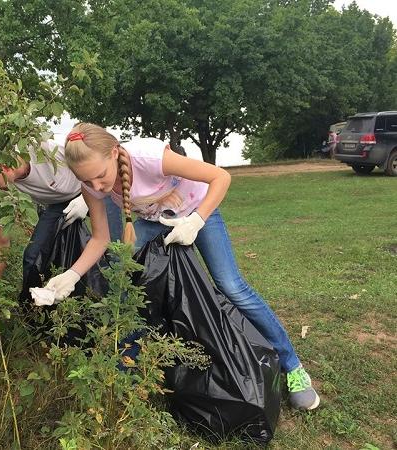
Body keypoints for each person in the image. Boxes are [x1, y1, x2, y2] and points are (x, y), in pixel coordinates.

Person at [43, 123, 320, 411]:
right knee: (126, 276)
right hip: (154, 222)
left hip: (199, 213)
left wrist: (196, 221)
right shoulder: (93, 183)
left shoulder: (149, 158)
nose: (97, 186)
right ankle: (129, 356)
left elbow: (220, 177)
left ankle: (293, 367)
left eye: (101, 176)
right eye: (87, 181)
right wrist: (72, 274)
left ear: (114, 153)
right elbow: (100, 239)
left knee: (231, 286)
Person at [0, 140, 122, 304]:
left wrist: (85, 197)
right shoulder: (3, 192)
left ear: (4, 166)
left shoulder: (49, 150)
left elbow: (98, 164)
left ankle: (117, 305)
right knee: (33, 256)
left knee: (115, 252)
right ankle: (34, 311)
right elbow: (0, 242)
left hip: (99, 189)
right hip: (59, 202)